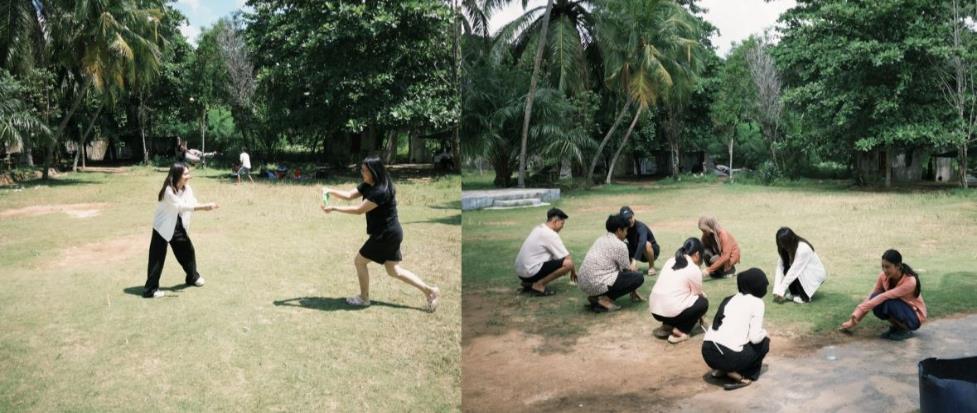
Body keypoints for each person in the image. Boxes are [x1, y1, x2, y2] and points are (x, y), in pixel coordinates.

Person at [321, 156, 441, 312]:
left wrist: (334, 208)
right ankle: (430, 290)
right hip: (392, 233)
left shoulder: (380, 191)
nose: (361, 172)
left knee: (359, 261)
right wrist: (330, 190)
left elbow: (359, 210)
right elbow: (350, 195)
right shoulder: (369, 184)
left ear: (373, 172)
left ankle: (364, 298)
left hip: (386, 234)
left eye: (364, 170)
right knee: (394, 270)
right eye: (362, 169)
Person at [143, 163, 219, 298]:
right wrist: (204, 207)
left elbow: (192, 201)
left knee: (187, 250)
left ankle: (192, 277)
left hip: (176, 224)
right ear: (177, 175)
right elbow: (181, 206)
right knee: (157, 257)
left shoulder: (187, 189)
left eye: (188, 174)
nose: (188, 177)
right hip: (162, 226)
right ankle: (150, 289)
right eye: (185, 174)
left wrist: (204, 205)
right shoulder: (168, 190)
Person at [701, 268, 771, 390]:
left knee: (734, 342)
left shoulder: (729, 299)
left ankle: (722, 369)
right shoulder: (757, 302)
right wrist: (765, 333)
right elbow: (754, 338)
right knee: (764, 342)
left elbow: (718, 325)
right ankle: (743, 376)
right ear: (756, 286)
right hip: (728, 357)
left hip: (708, 352)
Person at [840, 249, 926, 341]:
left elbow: (884, 296)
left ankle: (905, 329)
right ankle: (897, 327)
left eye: (888, 267)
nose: (884, 270)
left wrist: (858, 311)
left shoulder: (910, 281)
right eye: (883, 266)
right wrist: (855, 318)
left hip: (914, 318)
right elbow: (871, 297)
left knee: (886, 301)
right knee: (876, 299)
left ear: (898, 266)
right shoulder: (883, 276)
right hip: (900, 309)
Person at [577, 214, 645, 312]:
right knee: (638, 277)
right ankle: (605, 300)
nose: (626, 233)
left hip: (583, 282)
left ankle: (596, 297)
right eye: (625, 230)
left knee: (621, 275)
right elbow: (626, 270)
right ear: (619, 230)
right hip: (596, 282)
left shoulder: (600, 239)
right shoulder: (620, 245)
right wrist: (634, 281)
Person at [650, 238, 709, 344]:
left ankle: (667, 325)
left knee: (679, 298)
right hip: (670, 310)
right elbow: (698, 294)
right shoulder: (694, 268)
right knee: (703, 302)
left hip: (655, 310)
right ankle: (680, 332)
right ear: (697, 254)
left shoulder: (670, 260)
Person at [514, 208, 577, 296]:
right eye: (562, 223)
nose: (563, 227)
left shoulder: (538, 228)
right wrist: (573, 271)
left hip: (521, 273)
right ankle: (538, 285)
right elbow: (567, 258)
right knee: (568, 264)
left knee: (557, 260)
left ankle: (529, 283)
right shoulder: (551, 235)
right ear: (555, 222)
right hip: (530, 272)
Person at [772, 227, 827, 303]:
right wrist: (777, 290)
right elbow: (780, 267)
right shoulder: (786, 248)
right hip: (801, 270)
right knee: (786, 267)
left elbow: (794, 271)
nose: (782, 246)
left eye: (783, 243)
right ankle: (795, 294)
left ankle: (805, 298)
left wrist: (781, 290)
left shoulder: (803, 249)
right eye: (780, 243)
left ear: (789, 241)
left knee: (792, 272)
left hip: (815, 274)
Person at [619, 206, 661, 276]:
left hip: (652, 252)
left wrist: (635, 260)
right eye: (627, 219)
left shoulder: (641, 227)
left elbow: (642, 242)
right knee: (621, 244)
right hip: (636, 250)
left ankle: (651, 267)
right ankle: (631, 267)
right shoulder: (624, 228)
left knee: (646, 244)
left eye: (630, 217)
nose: (630, 220)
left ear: (633, 215)